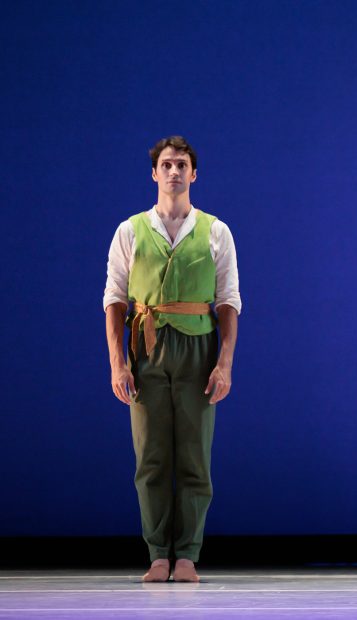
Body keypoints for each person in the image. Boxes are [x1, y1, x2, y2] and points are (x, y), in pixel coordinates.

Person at [103, 136, 241, 583]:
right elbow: (115, 300)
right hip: (145, 349)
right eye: (167, 164)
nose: (174, 171)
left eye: (182, 164)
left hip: (197, 351)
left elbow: (228, 301)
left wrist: (224, 363)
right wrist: (118, 363)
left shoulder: (215, 231)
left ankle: (188, 554)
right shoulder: (130, 230)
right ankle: (158, 552)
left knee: (195, 456)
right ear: (154, 173)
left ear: (194, 174)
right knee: (151, 457)